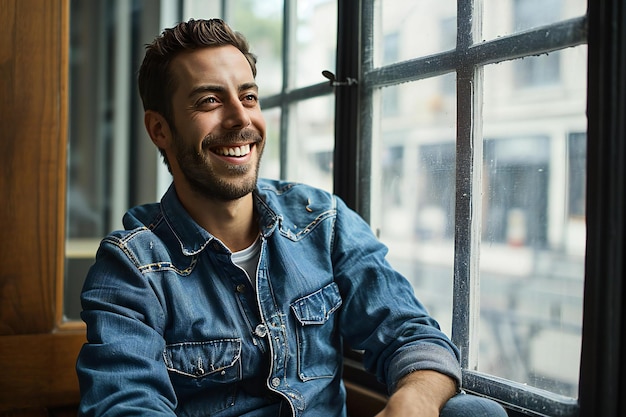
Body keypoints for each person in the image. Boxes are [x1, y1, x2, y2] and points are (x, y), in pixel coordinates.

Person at [75, 18, 507, 417]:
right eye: (210, 100)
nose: (241, 118)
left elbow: (413, 336)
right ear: (159, 130)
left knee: (474, 413)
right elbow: (127, 406)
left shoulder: (323, 221)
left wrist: (411, 403)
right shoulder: (132, 267)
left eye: (248, 97)